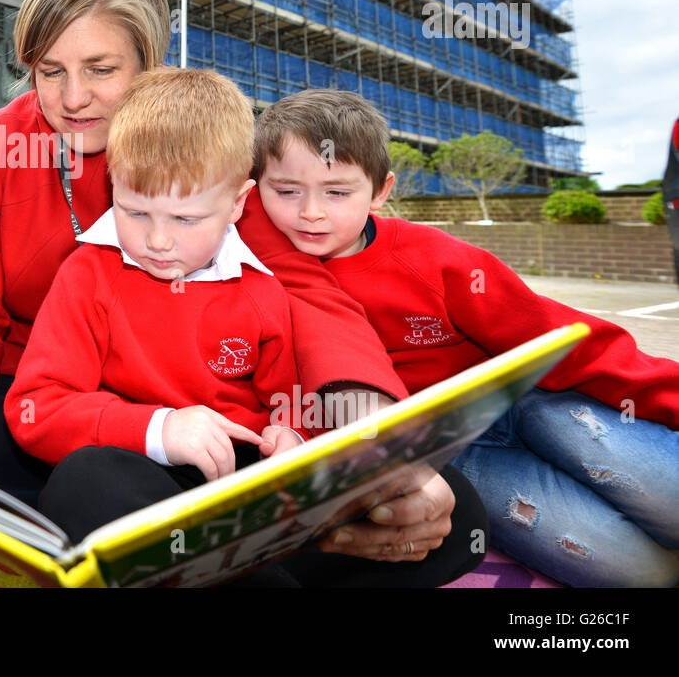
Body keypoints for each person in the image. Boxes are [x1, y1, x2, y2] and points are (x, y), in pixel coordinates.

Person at [0, 0, 472, 573]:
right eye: (49, 70)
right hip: (50, 401)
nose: (72, 97)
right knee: (72, 490)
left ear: (150, 64)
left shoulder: (205, 145)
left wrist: (371, 423)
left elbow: (305, 288)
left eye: (100, 69)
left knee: (455, 513)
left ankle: (226, 551)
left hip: (204, 398)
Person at [253, 88, 679, 586]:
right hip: (449, 455)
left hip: (529, 402)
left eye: (337, 192)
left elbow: (557, 337)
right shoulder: (256, 278)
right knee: (636, 573)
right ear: (252, 189)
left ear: (381, 190)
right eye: (286, 191)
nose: (310, 212)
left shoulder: (435, 257)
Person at [8, 68, 307, 540]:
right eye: (136, 211)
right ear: (112, 185)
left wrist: (292, 437)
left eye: (186, 219)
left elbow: (289, 401)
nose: (158, 240)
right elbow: (37, 408)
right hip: (140, 470)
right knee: (82, 483)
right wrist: (159, 428)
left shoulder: (262, 289)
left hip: (241, 480)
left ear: (237, 203)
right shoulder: (88, 273)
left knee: (443, 501)